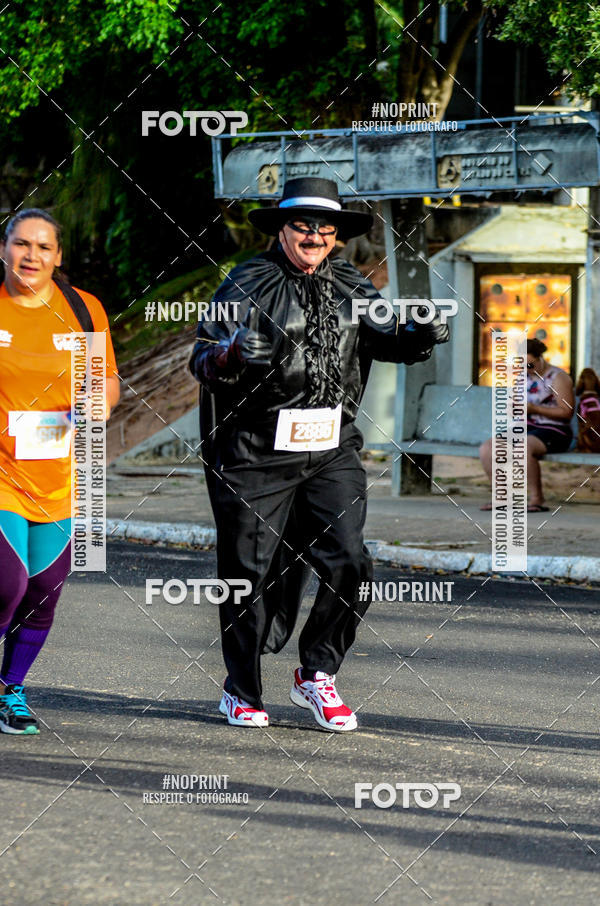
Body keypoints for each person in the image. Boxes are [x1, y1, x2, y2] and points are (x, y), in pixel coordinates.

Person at [189, 176, 449, 731]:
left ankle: (317, 674)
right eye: (302, 225)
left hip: (331, 445)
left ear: (337, 235)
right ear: (282, 229)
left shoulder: (351, 283)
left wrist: (423, 333)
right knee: (247, 573)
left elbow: (389, 339)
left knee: (349, 560)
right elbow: (203, 357)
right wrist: (232, 352)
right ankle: (241, 690)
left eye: (324, 227)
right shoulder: (249, 281)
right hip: (257, 449)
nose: (313, 236)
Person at [0, 208, 120, 734]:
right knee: (7, 583)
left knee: (44, 589)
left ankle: (12, 692)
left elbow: (107, 380)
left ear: (58, 257)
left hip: (62, 473)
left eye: (43, 247)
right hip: (1, 471)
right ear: (2, 249)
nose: (31, 256)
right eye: (21, 244)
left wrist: (101, 403)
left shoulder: (82, 308)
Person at [479, 337, 574, 513]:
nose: (526, 370)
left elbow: (566, 412)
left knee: (522, 447)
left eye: (530, 365)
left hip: (555, 430)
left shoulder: (558, 378)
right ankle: (502, 497)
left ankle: (537, 499)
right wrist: (514, 408)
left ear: (541, 358)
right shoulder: (523, 378)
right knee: (488, 447)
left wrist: (534, 409)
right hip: (526, 427)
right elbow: (518, 405)